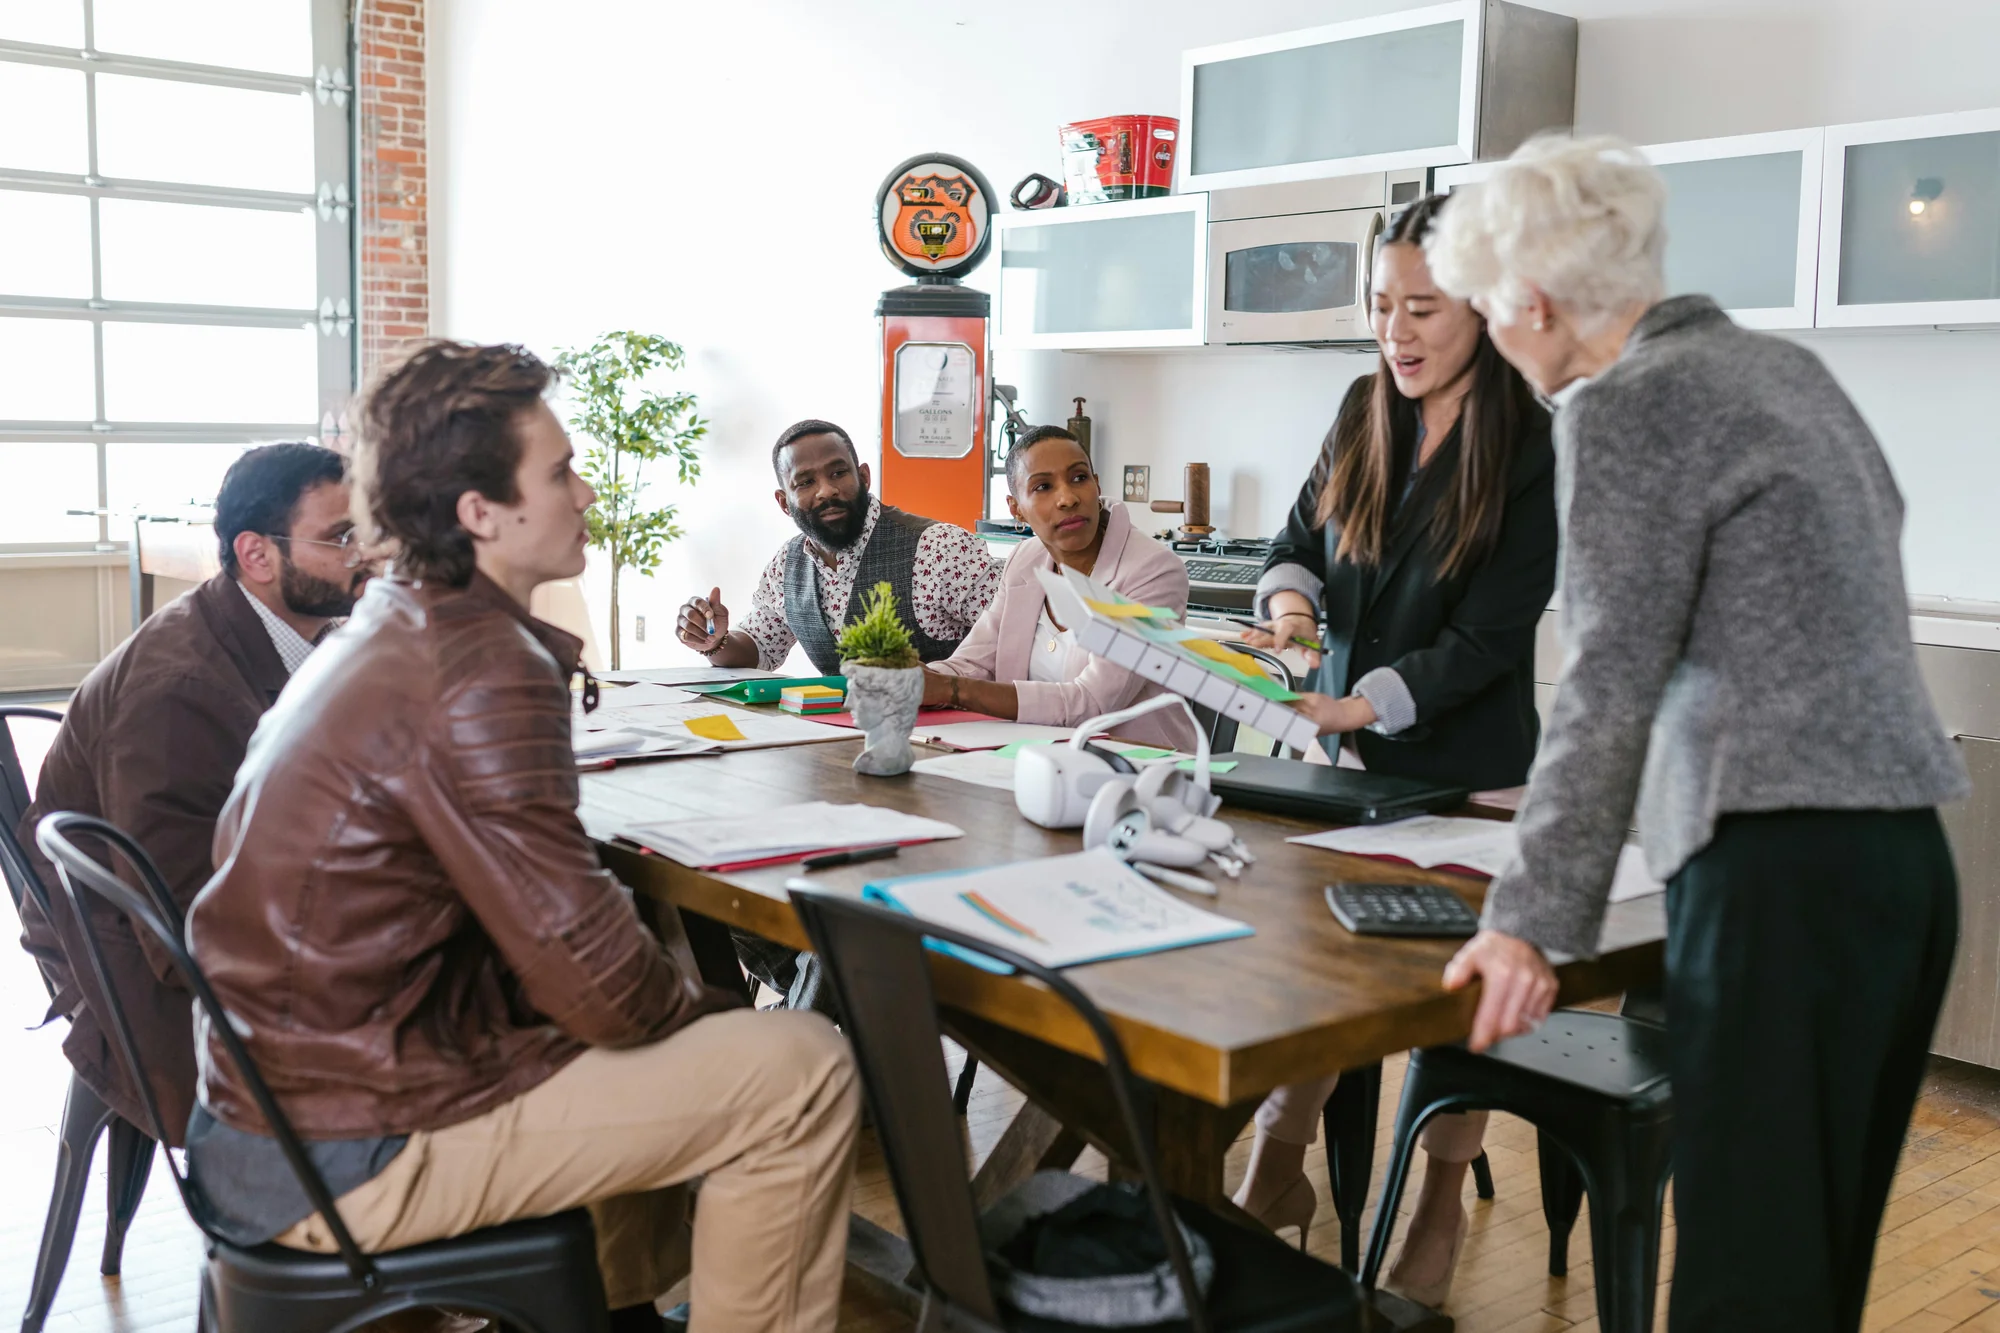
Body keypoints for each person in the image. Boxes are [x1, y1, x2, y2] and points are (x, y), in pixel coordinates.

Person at [184, 343, 861, 1333]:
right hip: (345, 1142)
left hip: (277, 1112)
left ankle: (607, 1313)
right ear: (479, 512)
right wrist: (711, 1009)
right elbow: (601, 986)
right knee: (799, 1067)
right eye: (559, 472)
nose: (586, 491)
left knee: (682, 1026)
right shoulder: (479, 665)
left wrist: (684, 1011)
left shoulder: (389, 622)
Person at [1423, 136, 1968, 1331]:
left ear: (1534, 301)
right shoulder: (1780, 371)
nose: (1494, 340)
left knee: (1740, 1278)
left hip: (1778, 871)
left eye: (1480, 309)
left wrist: (1525, 922)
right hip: (1902, 866)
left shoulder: (1620, 404)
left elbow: (1606, 672)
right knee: (1811, 1265)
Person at [1235, 194, 1558, 1308]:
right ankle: (1278, 1173)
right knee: (1315, 977)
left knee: (1448, 999)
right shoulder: (1358, 408)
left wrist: (1359, 707)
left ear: (1483, 302)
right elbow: (1291, 547)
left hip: (1471, 778)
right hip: (1343, 768)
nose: (1396, 332)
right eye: (1381, 307)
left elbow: (1488, 638)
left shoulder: (1529, 442)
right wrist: (1285, 616)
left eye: (1422, 308)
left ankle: (1435, 1203)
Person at [17, 441, 363, 1148]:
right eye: (341, 537)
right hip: (134, 975)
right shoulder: (181, 694)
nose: (367, 554)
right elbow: (182, 941)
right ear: (257, 555)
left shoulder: (296, 632)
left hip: (194, 923)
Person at [923, 425, 1198, 750]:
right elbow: (975, 663)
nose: (1067, 498)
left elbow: (1093, 702)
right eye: (1043, 486)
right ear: (1016, 509)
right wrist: (908, 678)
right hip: (1032, 759)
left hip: (1137, 771)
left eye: (1079, 478)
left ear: (1097, 485)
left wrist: (952, 690)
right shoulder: (1026, 559)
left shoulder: (1153, 571)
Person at [675, 418, 997, 674]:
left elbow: (1021, 638)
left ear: (864, 478)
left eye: (838, 473)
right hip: (839, 744)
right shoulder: (786, 567)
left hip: (951, 741)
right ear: (784, 502)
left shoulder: (939, 548)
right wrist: (713, 641)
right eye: (805, 482)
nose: (826, 490)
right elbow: (759, 648)